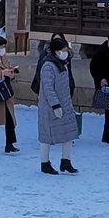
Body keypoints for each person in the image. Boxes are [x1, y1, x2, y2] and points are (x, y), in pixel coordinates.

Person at [35, 34, 79, 175]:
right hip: (50, 107)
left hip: (65, 103)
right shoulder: (48, 66)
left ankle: (66, 160)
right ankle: (45, 163)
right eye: (63, 50)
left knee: (69, 133)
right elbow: (48, 88)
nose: (66, 52)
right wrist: (55, 105)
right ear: (56, 51)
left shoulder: (63, 63)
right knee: (47, 136)